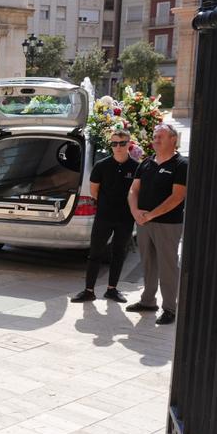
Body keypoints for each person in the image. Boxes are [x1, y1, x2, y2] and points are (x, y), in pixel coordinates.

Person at [126, 123, 188, 326]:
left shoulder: (181, 165)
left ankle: (170, 308)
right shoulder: (145, 163)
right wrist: (135, 212)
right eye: (154, 136)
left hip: (167, 224)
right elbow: (133, 190)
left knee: (168, 267)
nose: (156, 140)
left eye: (161, 136)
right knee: (148, 264)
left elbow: (177, 197)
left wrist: (151, 215)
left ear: (173, 139)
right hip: (143, 222)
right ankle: (148, 301)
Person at [71, 128, 139, 304]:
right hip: (104, 216)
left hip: (125, 218)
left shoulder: (136, 167)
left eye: (122, 143)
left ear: (129, 144)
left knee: (118, 253)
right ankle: (89, 290)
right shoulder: (102, 166)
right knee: (95, 253)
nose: (118, 147)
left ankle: (112, 289)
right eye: (114, 143)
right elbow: (94, 191)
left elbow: (138, 192)